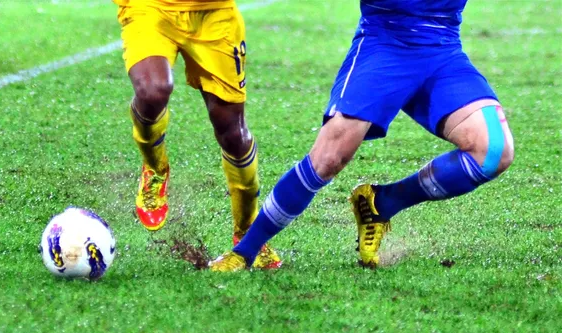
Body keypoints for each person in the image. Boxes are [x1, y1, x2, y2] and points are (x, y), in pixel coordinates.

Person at [209, 0, 514, 271]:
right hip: (385, 43)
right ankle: (244, 252)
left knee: (493, 151)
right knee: (328, 158)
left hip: (443, 50)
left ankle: (383, 202)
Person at [112, 0, 281, 268]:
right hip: (151, 8)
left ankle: (248, 233)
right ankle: (155, 168)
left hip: (215, 15)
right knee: (153, 91)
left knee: (233, 133)